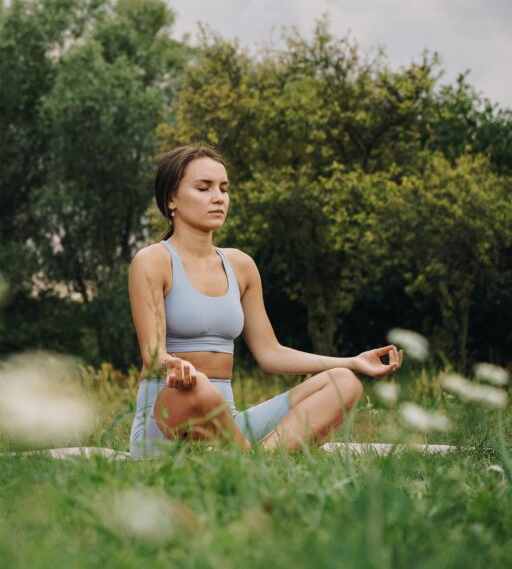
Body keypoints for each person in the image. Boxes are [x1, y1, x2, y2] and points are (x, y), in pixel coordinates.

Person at [128, 144, 401, 457]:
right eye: (203, 188)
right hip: (167, 420)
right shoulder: (152, 261)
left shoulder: (240, 265)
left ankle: (261, 460)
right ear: (171, 199)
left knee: (344, 383)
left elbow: (270, 353)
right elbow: (153, 354)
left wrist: (351, 361)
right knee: (197, 385)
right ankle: (248, 459)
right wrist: (175, 366)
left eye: (224, 188)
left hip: (228, 426)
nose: (218, 197)